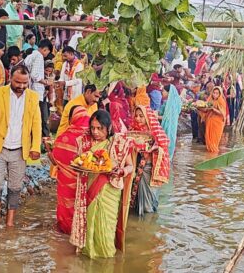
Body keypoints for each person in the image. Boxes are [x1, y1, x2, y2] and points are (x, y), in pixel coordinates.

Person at [0, 65, 41, 233]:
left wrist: (36, 147)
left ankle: (9, 223)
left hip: (20, 149)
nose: (21, 86)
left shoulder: (33, 97)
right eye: (18, 82)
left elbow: (36, 124)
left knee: (15, 188)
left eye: (25, 83)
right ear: (10, 78)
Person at [70, 110, 134, 258]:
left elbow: (130, 166)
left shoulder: (119, 143)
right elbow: (78, 162)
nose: (96, 132)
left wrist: (121, 172)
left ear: (109, 127)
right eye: (93, 128)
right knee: (90, 221)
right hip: (89, 188)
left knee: (107, 227)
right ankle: (89, 254)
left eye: (100, 128)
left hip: (110, 188)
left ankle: (106, 258)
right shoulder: (84, 142)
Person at [52, 106, 89, 234]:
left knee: (65, 208)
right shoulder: (91, 139)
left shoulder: (64, 137)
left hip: (65, 183)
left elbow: (56, 159)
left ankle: (64, 230)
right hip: (83, 184)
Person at [130, 106, 170, 216]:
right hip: (139, 167)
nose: (138, 119)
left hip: (150, 169)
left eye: (141, 116)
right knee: (139, 198)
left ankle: (148, 223)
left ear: (148, 117)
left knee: (149, 199)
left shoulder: (155, 131)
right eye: (136, 116)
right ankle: (143, 222)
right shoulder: (134, 130)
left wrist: (153, 148)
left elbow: (164, 145)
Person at [24, 39, 53, 138]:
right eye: (48, 52)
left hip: (31, 90)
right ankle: (40, 139)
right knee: (39, 118)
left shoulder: (31, 55)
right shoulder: (39, 56)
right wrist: (45, 82)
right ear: (45, 49)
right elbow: (35, 75)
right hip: (36, 92)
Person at [159, 84, 182, 160]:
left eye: (163, 91)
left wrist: (156, 116)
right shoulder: (176, 103)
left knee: (165, 147)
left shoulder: (169, 104)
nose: (161, 93)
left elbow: (167, 118)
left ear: (169, 92)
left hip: (167, 128)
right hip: (173, 129)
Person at [201, 86, 226, 153]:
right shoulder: (210, 100)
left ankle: (213, 154)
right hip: (209, 122)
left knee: (214, 142)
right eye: (214, 93)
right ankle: (210, 155)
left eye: (217, 93)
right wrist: (198, 107)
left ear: (220, 94)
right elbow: (205, 110)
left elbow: (222, 114)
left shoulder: (221, 101)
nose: (215, 94)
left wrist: (213, 109)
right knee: (208, 140)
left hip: (217, 123)